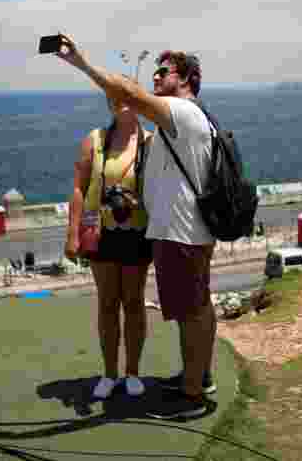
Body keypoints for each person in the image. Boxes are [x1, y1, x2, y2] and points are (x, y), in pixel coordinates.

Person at [54, 36, 217, 420]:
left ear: (188, 78)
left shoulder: (182, 113)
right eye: (154, 72)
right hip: (173, 232)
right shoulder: (172, 123)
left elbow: (128, 91)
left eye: (164, 72)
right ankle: (198, 377)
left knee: (191, 311)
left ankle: (192, 395)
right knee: (193, 308)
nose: (156, 78)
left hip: (181, 233)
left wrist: (82, 63)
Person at [65, 86, 153, 400]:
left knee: (133, 303)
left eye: (125, 97)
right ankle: (109, 373)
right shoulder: (95, 140)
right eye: (112, 98)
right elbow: (78, 187)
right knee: (106, 304)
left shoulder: (151, 142)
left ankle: (132, 372)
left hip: (138, 232)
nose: (119, 103)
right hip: (100, 232)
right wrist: (72, 232)